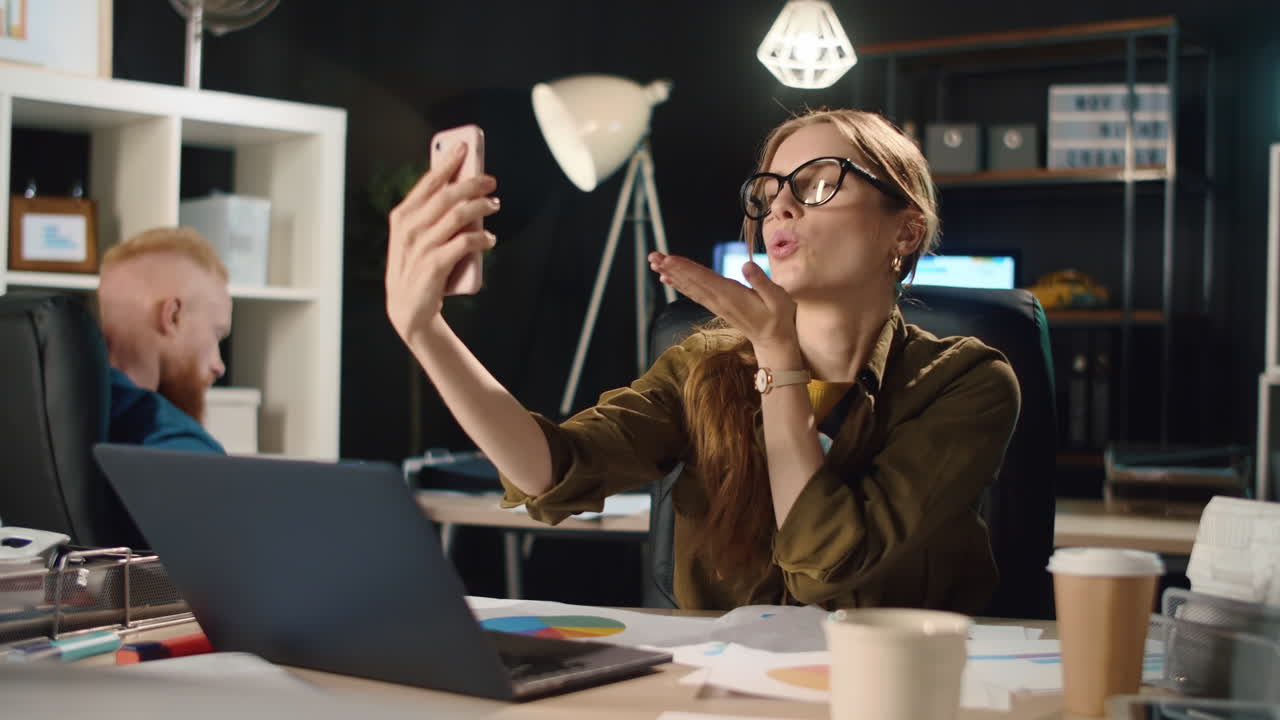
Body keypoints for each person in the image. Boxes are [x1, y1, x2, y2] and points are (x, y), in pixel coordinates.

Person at [384, 109, 1020, 612]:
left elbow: (829, 561)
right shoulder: (702, 365)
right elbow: (551, 468)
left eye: (819, 184)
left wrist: (780, 360)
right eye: (768, 192)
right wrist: (425, 332)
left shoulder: (966, 382)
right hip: (719, 689)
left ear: (906, 232)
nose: (780, 207)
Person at [97, 227, 231, 453]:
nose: (219, 366)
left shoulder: (47, 407)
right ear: (172, 317)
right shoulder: (178, 446)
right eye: (215, 334)